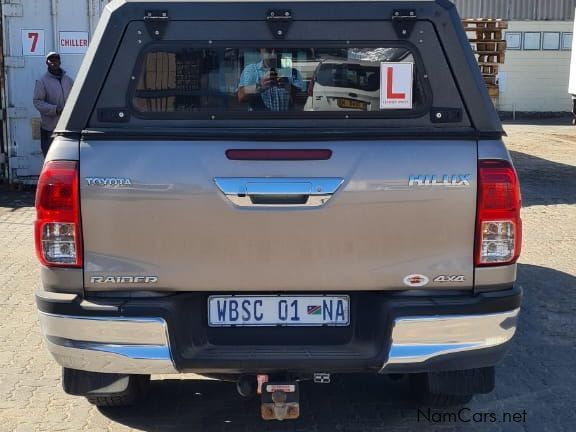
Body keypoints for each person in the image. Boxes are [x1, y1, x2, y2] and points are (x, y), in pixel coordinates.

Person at [33, 52, 74, 157]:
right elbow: (37, 102)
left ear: (60, 62)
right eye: (50, 60)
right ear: (46, 63)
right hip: (50, 129)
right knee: (50, 158)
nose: (53, 63)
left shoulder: (68, 80)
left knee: (67, 158)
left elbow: (76, 98)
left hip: (67, 128)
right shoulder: (42, 81)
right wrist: (55, 109)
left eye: (56, 60)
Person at [238, 48, 305, 112]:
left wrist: (288, 86)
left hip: (285, 122)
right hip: (259, 122)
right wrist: (260, 86)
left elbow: (302, 100)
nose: (273, 54)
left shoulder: (292, 71)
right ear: (261, 50)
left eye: (277, 49)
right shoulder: (251, 70)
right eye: (269, 49)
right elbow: (241, 96)